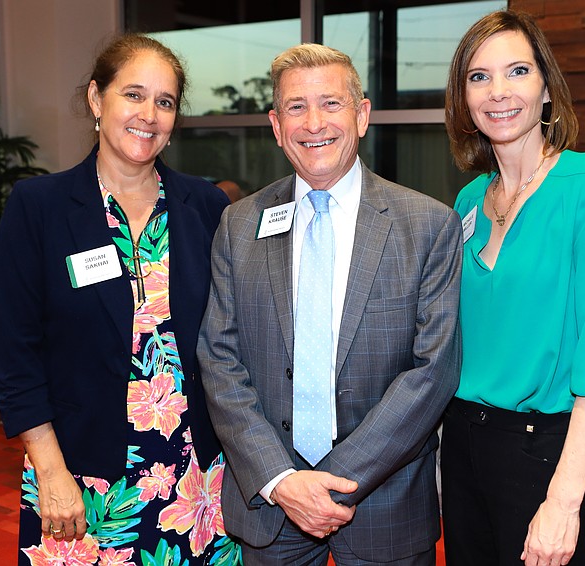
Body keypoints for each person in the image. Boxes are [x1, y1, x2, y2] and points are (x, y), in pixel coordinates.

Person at [197, 43, 463, 565]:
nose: (314, 123)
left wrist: (332, 484)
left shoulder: (428, 225)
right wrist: (282, 480)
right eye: (296, 107)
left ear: (362, 115)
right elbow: (219, 359)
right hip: (272, 502)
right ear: (276, 125)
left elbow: (433, 372)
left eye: (332, 104)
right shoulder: (239, 224)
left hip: (385, 501)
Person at [0, 34, 241, 565]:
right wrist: (51, 472)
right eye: (134, 94)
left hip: (195, 476)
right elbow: (16, 354)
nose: (149, 114)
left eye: (165, 101)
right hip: (83, 476)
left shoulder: (205, 206)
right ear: (95, 99)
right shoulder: (39, 208)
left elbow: (230, 336)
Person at [440, 10, 585, 566]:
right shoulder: (465, 204)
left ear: (547, 89)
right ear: (463, 99)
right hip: (463, 445)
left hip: (551, 452)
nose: (498, 92)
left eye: (517, 71)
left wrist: (563, 500)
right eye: (478, 77)